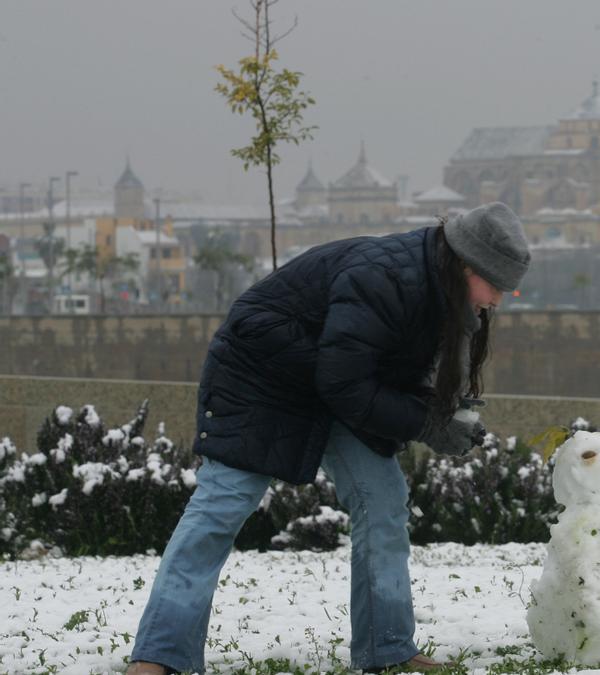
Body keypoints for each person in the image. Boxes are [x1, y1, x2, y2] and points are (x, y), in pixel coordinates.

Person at [125, 202, 531, 675]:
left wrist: (438, 412)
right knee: (223, 503)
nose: (499, 300)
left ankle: (389, 649)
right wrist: (425, 423)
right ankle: (159, 655)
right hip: (262, 375)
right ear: (465, 265)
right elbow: (348, 383)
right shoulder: (386, 277)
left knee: (382, 499)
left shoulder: (437, 287)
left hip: (331, 382)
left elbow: (368, 371)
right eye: (497, 286)